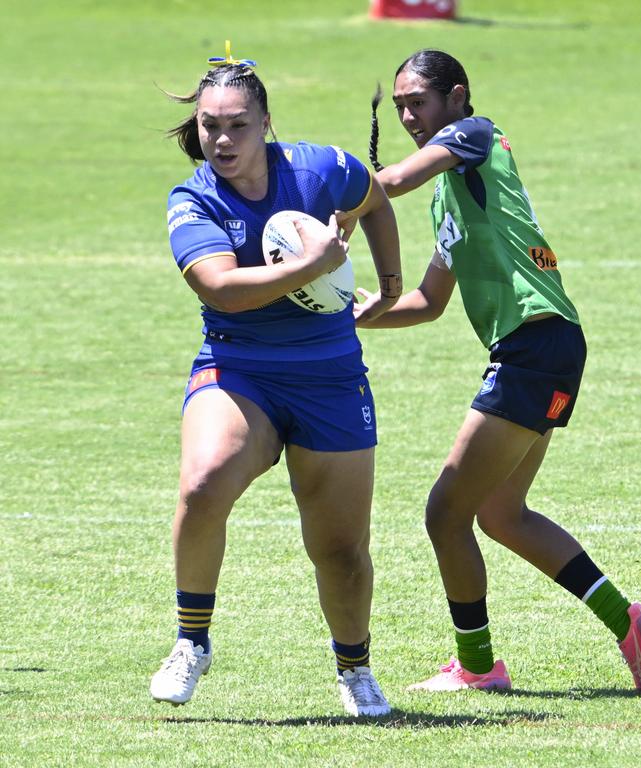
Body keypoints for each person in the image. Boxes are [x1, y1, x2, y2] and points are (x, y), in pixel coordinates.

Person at [351, 49, 641, 692]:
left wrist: (329, 189)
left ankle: (477, 666)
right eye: (403, 104)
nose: (411, 115)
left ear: (456, 96)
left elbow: (396, 180)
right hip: (542, 348)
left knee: (445, 513)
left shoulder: (474, 134)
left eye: (419, 102)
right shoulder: (448, 200)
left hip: (536, 345)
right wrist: (349, 316)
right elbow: (426, 302)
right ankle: (631, 621)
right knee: (500, 514)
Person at [149, 43, 403, 716]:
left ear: (266, 123)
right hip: (240, 371)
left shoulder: (320, 169)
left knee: (342, 550)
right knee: (203, 483)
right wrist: (314, 263)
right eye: (210, 126)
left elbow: (374, 199)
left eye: (237, 124)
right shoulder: (193, 199)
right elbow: (224, 290)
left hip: (331, 379)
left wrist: (390, 286)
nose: (223, 139)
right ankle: (191, 640)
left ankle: (354, 668)